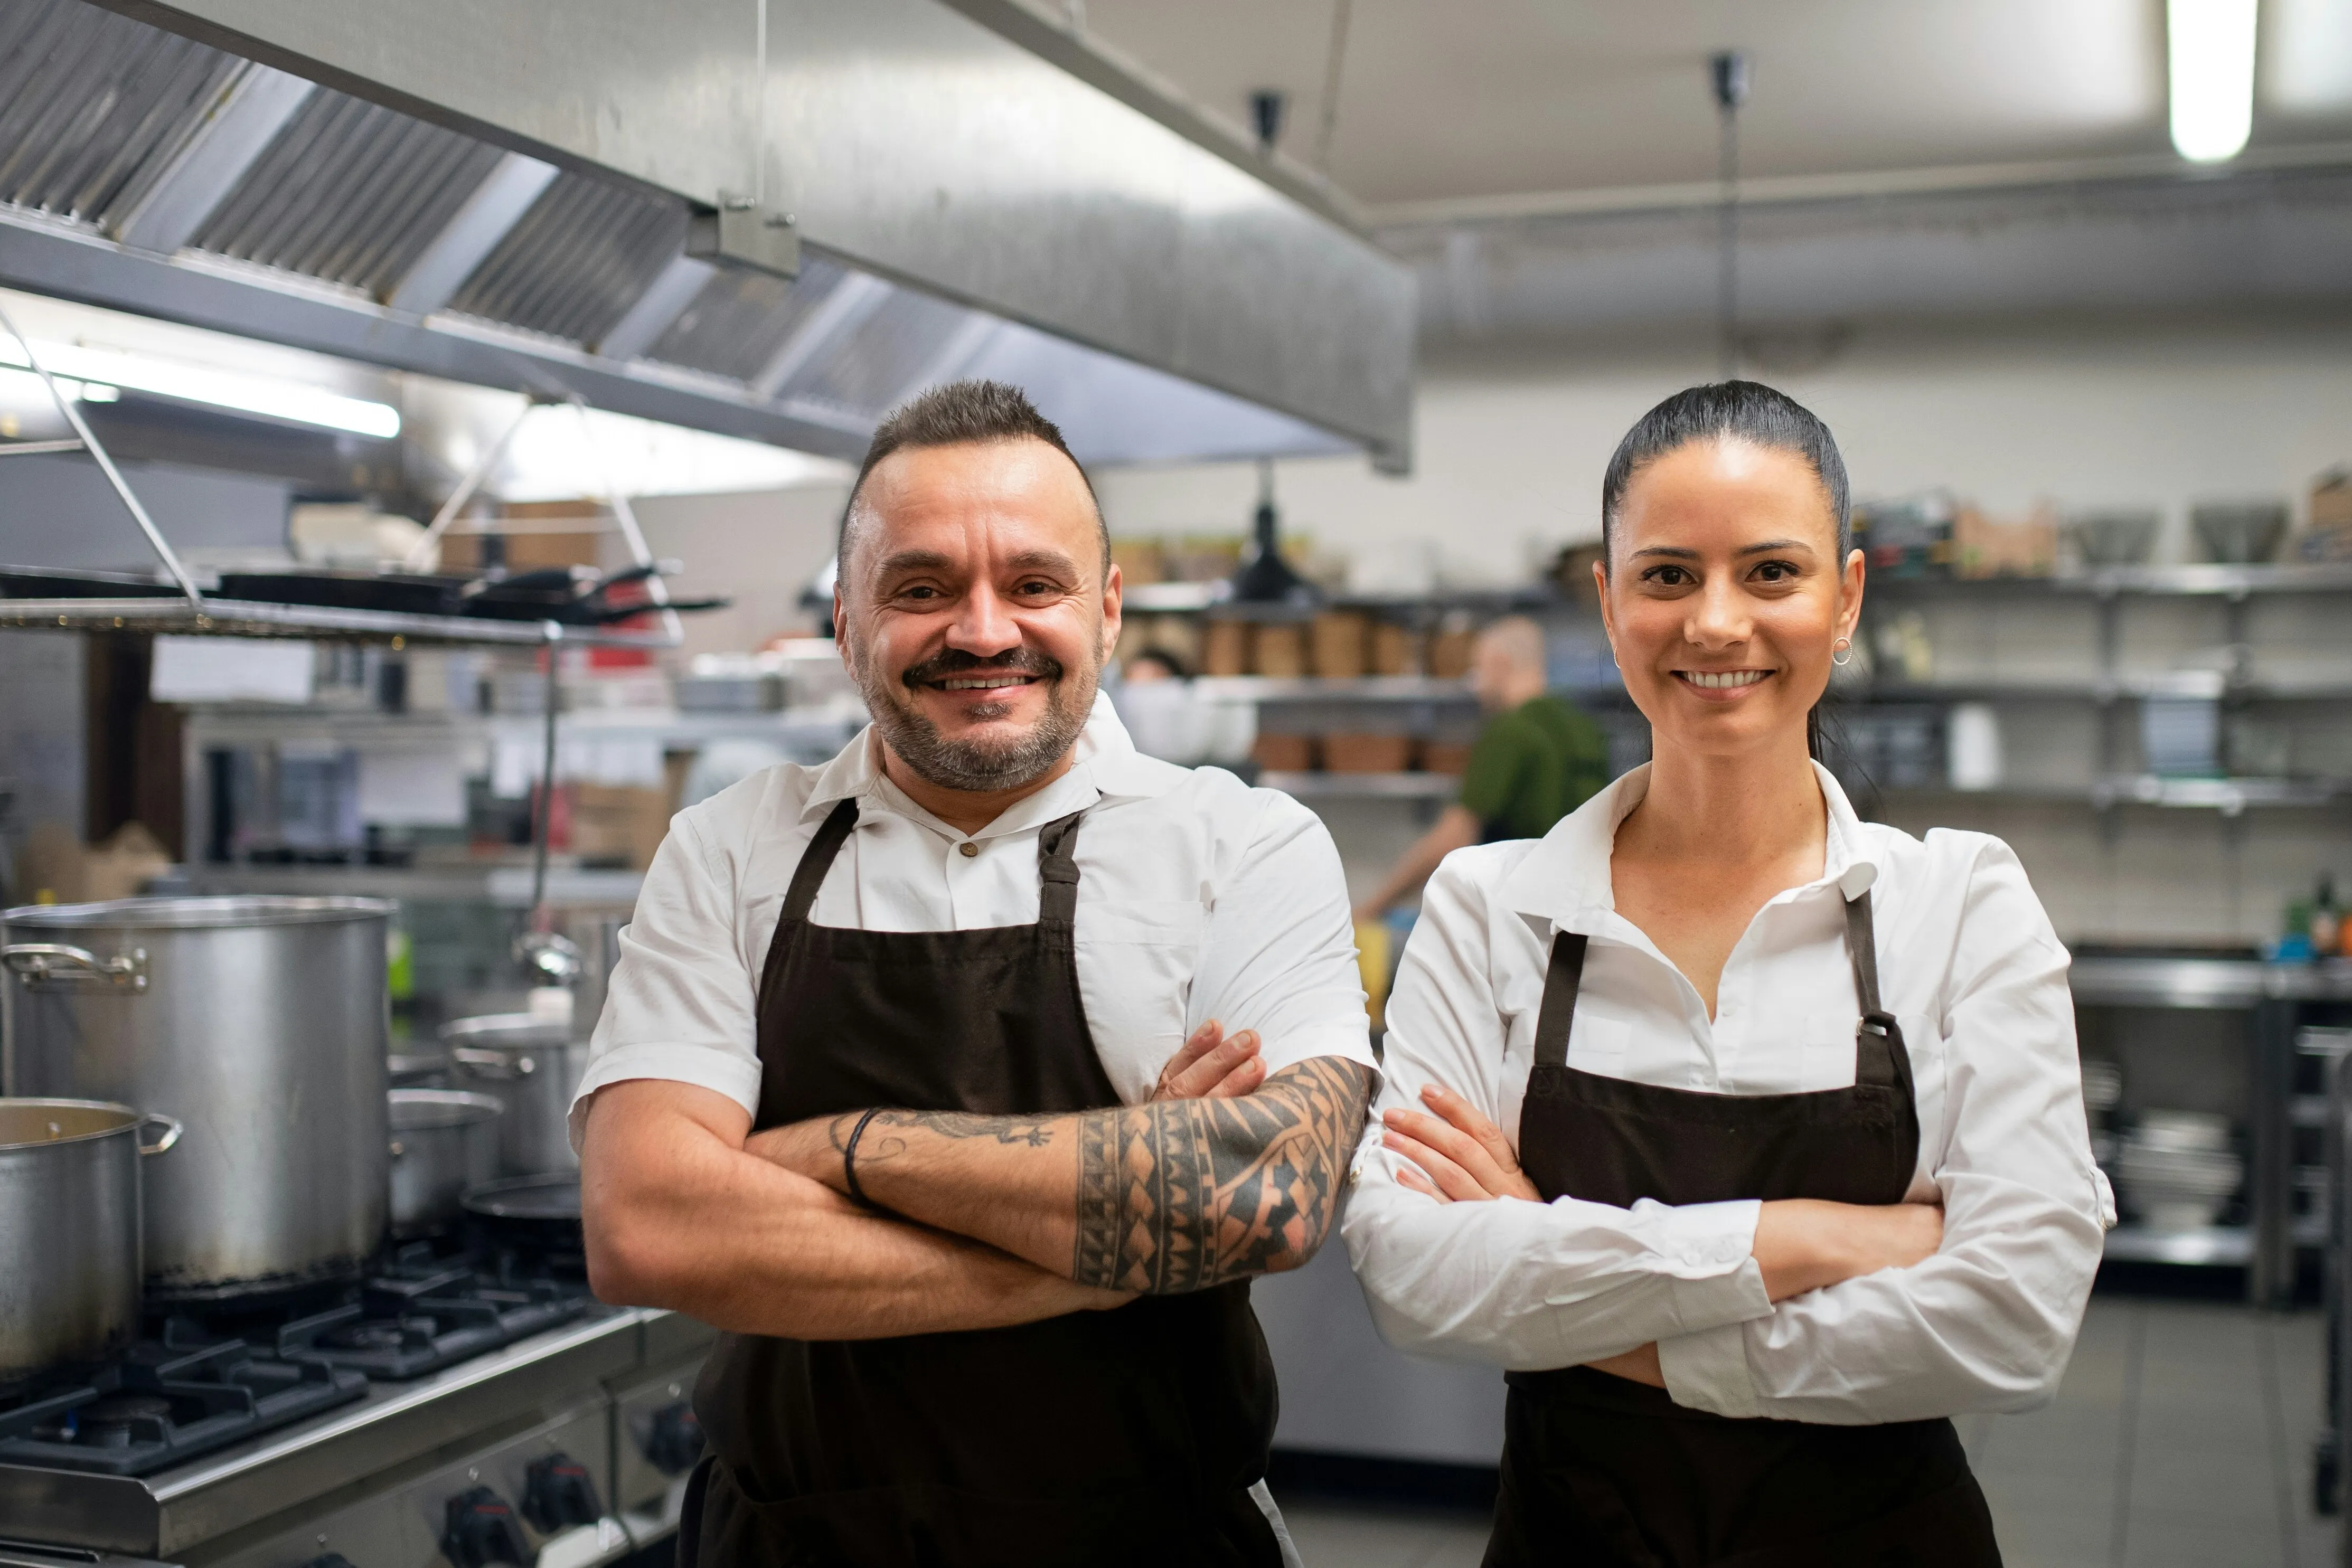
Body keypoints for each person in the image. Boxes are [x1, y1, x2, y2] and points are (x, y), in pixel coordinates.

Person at [576, 380, 1377, 1567]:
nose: (984, 631)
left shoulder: (1241, 845)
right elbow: (648, 1228)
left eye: (1034, 584)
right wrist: (1107, 1254)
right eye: (922, 589)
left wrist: (838, 1149)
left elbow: (1266, 1195)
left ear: (1107, 609)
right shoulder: (731, 847)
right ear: (844, 620)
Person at [1342, 382, 2111, 1566]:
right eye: (1665, 575)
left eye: (1769, 573)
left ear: (1844, 600)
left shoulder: (1961, 904)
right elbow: (1412, 1279)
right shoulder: (1489, 909)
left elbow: (2014, 1323)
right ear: (1607, 603)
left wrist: (1566, 1277)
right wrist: (1815, 1239)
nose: (1713, 622)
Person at [1353, 615, 1608, 922]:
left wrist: (1374, 906)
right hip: (1582, 913)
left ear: (1500, 664)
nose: (1476, 685)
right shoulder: (1584, 728)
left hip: (1522, 918)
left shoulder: (1511, 730)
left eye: (1479, 669)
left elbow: (1453, 836)